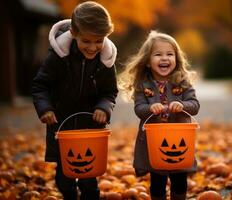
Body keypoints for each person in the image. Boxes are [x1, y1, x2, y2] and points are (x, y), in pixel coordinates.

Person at [31, 1, 118, 199]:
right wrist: (45, 109)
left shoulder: (105, 61)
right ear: (73, 33)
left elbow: (109, 91)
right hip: (62, 124)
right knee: (64, 176)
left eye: (99, 41)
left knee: (89, 175)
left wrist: (103, 108)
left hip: (90, 126)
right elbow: (40, 85)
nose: (93, 47)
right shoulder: (58, 57)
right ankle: (69, 195)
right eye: (86, 41)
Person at [118, 31, 200, 200]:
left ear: (176, 59)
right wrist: (150, 108)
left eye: (170, 54)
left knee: (179, 179)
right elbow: (139, 109)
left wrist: (182, 105)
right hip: (155, 142)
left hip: (178, 139)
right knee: (157, 179)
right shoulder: (143, 85)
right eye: (158, 54)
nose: (164, 58)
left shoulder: (183, 82)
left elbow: (195, 106)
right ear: (147, 61)